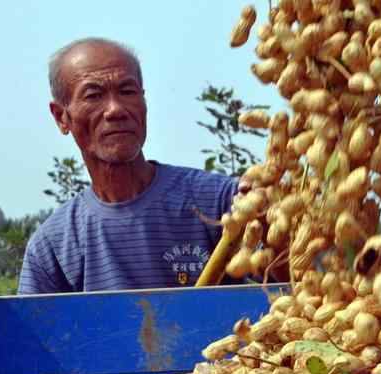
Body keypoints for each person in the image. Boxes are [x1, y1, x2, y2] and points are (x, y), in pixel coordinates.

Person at [17, 37, 248, 294]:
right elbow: (37, 331)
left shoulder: (223, 202)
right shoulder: (53, 246)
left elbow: (290, 286)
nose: (115, 109)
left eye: (127, 92)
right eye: (93, 95)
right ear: (62, 117)